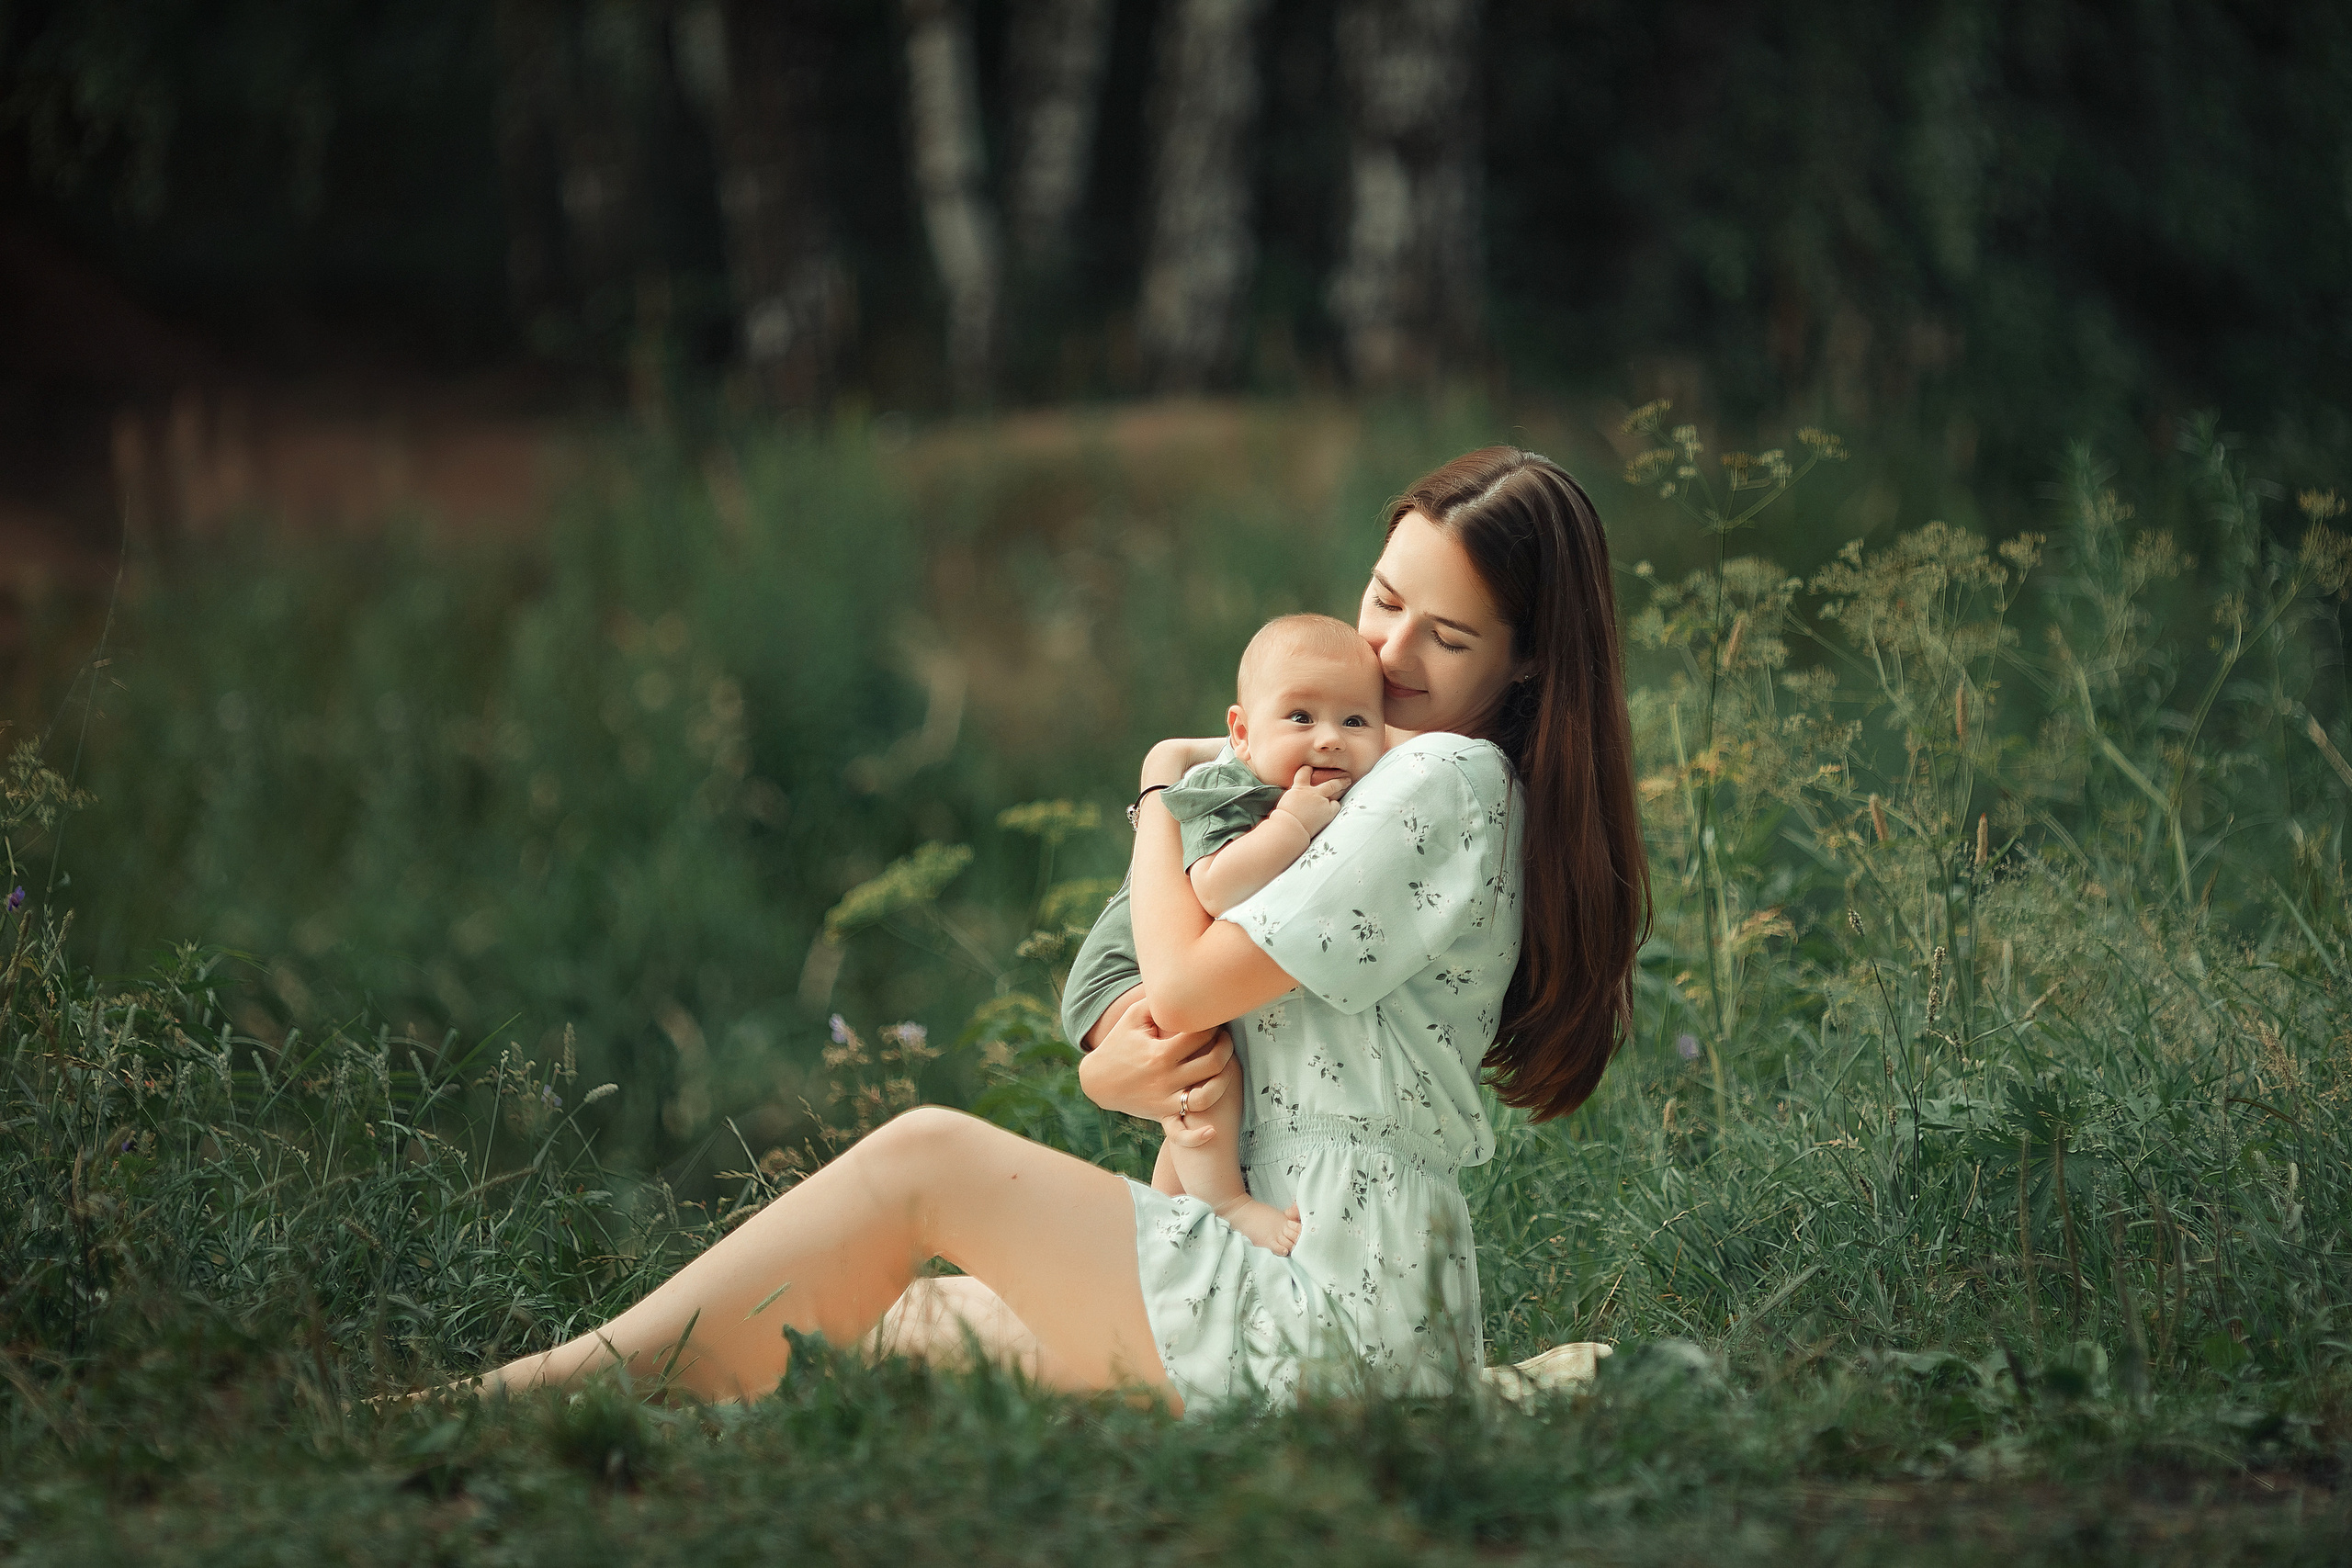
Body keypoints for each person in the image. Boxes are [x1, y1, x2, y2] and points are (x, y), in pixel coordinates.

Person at [458, 447, 1646, 1416]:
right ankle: (612, 1411)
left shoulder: (1441, 777)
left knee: (925, 1157)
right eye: (1384, 601)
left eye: (1445, 638)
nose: (1386, 656)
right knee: (907, 1313)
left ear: (1527, 656)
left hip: (1324, 1297)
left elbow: (1178, 979)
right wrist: (1117, 1058)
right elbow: (1154, 1009)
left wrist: (1153, 794)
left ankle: (528, 1397)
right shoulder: (1366, 774)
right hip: (1301, 1263)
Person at [1066, 611, 1388, 1256]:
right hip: (1120, 975)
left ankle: (1170, 1220)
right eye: (1301, 717)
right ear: (1241, 733)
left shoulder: (1321, 785)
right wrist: (1291, 826)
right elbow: (1215, 886)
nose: (1328, 738)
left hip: (1167, 967)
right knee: (1206, 1057)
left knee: (1195, 1100)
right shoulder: (1228, 793)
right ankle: (1226, 1202)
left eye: (1355, 721)